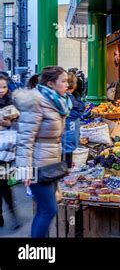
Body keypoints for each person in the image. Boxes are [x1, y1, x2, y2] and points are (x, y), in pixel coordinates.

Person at [14, 66, 71, 238]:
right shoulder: (37, 102)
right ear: (51, 83)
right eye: (64, 81)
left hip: (50, 163)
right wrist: (25, 170)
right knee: (48, 210)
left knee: (44, 210)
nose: (67, 85)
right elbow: (25, 139)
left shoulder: (56, 101)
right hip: (38, 165)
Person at [0, 75, 20, 229]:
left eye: (4, 87)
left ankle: (12, 215)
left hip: (5, 150)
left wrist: (8, 124)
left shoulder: (12, 102)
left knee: (4, 183)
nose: (2, 90)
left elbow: (19, 126)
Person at [61, 73, 85, 168]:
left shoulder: (68, 98)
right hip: (68, 137)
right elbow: (80, 108)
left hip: (65, 138)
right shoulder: (71, 99)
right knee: (66, 160)